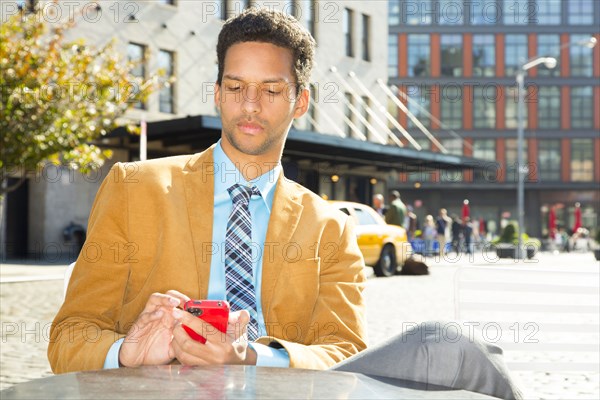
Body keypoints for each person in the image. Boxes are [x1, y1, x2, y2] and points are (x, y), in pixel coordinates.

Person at [48, 9, 521, 400]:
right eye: (235, 87)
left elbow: (342, 351)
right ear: (217, 94)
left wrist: (252, 356)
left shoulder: (328, 226)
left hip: (287, 390)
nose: (249, 104)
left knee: (452, 348)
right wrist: (128, 352)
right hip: (167, 390)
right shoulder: (137, 187)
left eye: (271, 90)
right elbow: (69, 336)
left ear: (300, 102)